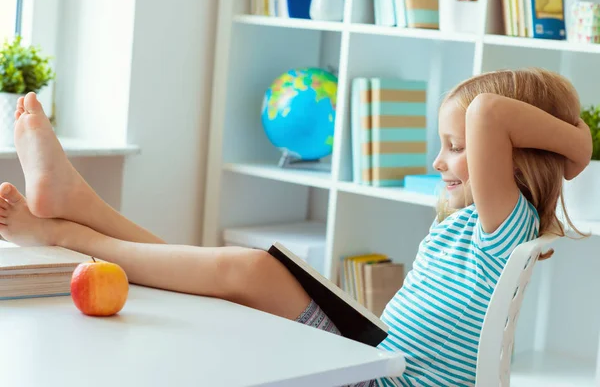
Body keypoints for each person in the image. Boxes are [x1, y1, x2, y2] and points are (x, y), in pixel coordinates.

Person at [0, 67, 592, 387]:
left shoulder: (503, 227)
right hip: (378, 352)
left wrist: (578, 145)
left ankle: (68, 230)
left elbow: (489, 112)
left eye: (456, 147)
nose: (439, 162)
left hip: (384, 378)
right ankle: (80, 207)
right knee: (224, 278)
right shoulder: (472, 228)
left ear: (512, 157)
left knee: (245, 271)